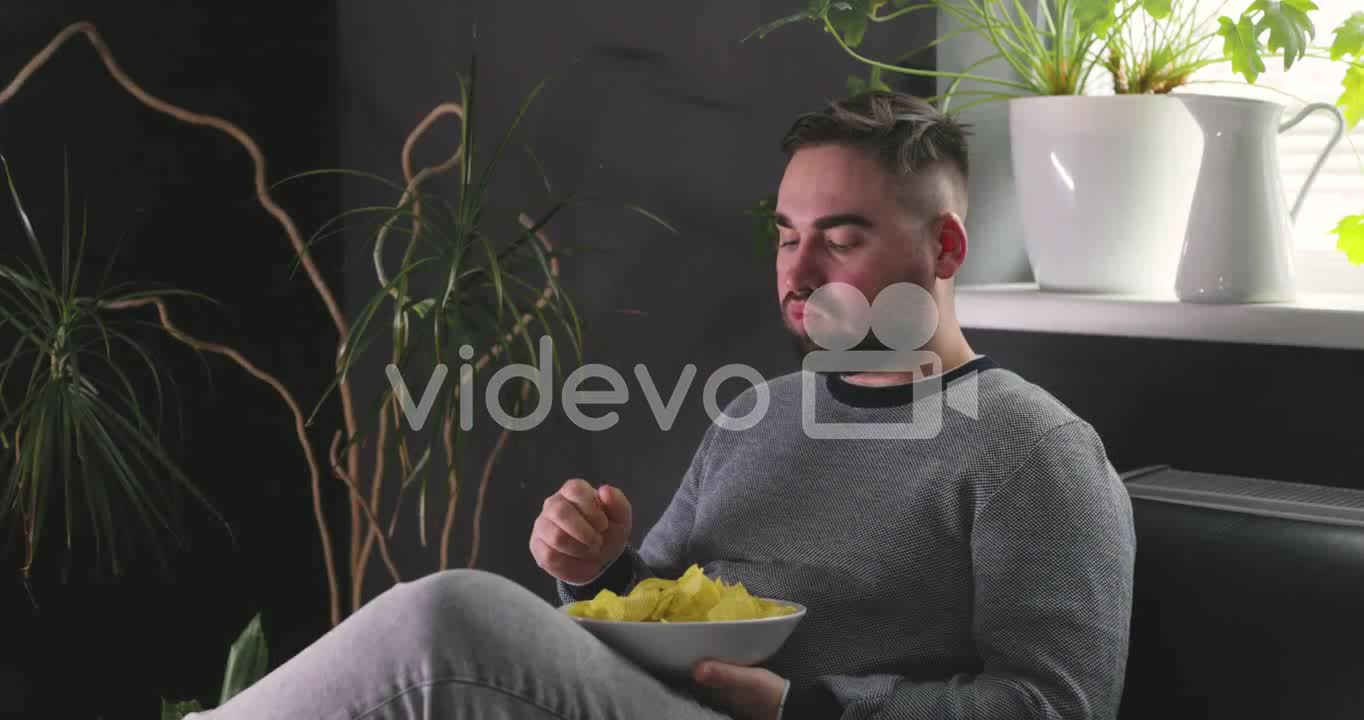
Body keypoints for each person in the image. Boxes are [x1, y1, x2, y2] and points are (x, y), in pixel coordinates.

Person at [191, 90, 1136, 720]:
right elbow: (654, 607)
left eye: (838, 239)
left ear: (947, 249)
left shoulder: (1032, 449)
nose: (797, 272)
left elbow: (1058, 702)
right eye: (785, 235)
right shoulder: (759, 415)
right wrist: (598, 568)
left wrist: (802, 706)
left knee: (449, 624)